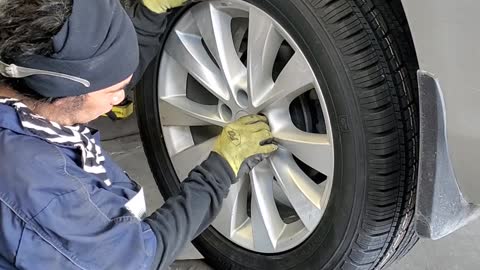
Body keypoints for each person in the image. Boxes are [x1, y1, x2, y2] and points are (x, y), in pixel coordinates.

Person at [0, 0, 278, 269]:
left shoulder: (29, 75)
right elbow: (136, 259)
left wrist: (149, 14)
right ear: (61, 97)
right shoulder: (45, 191)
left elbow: (98, 71)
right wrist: (220, 170)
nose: (122, 97)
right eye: (112, 92)